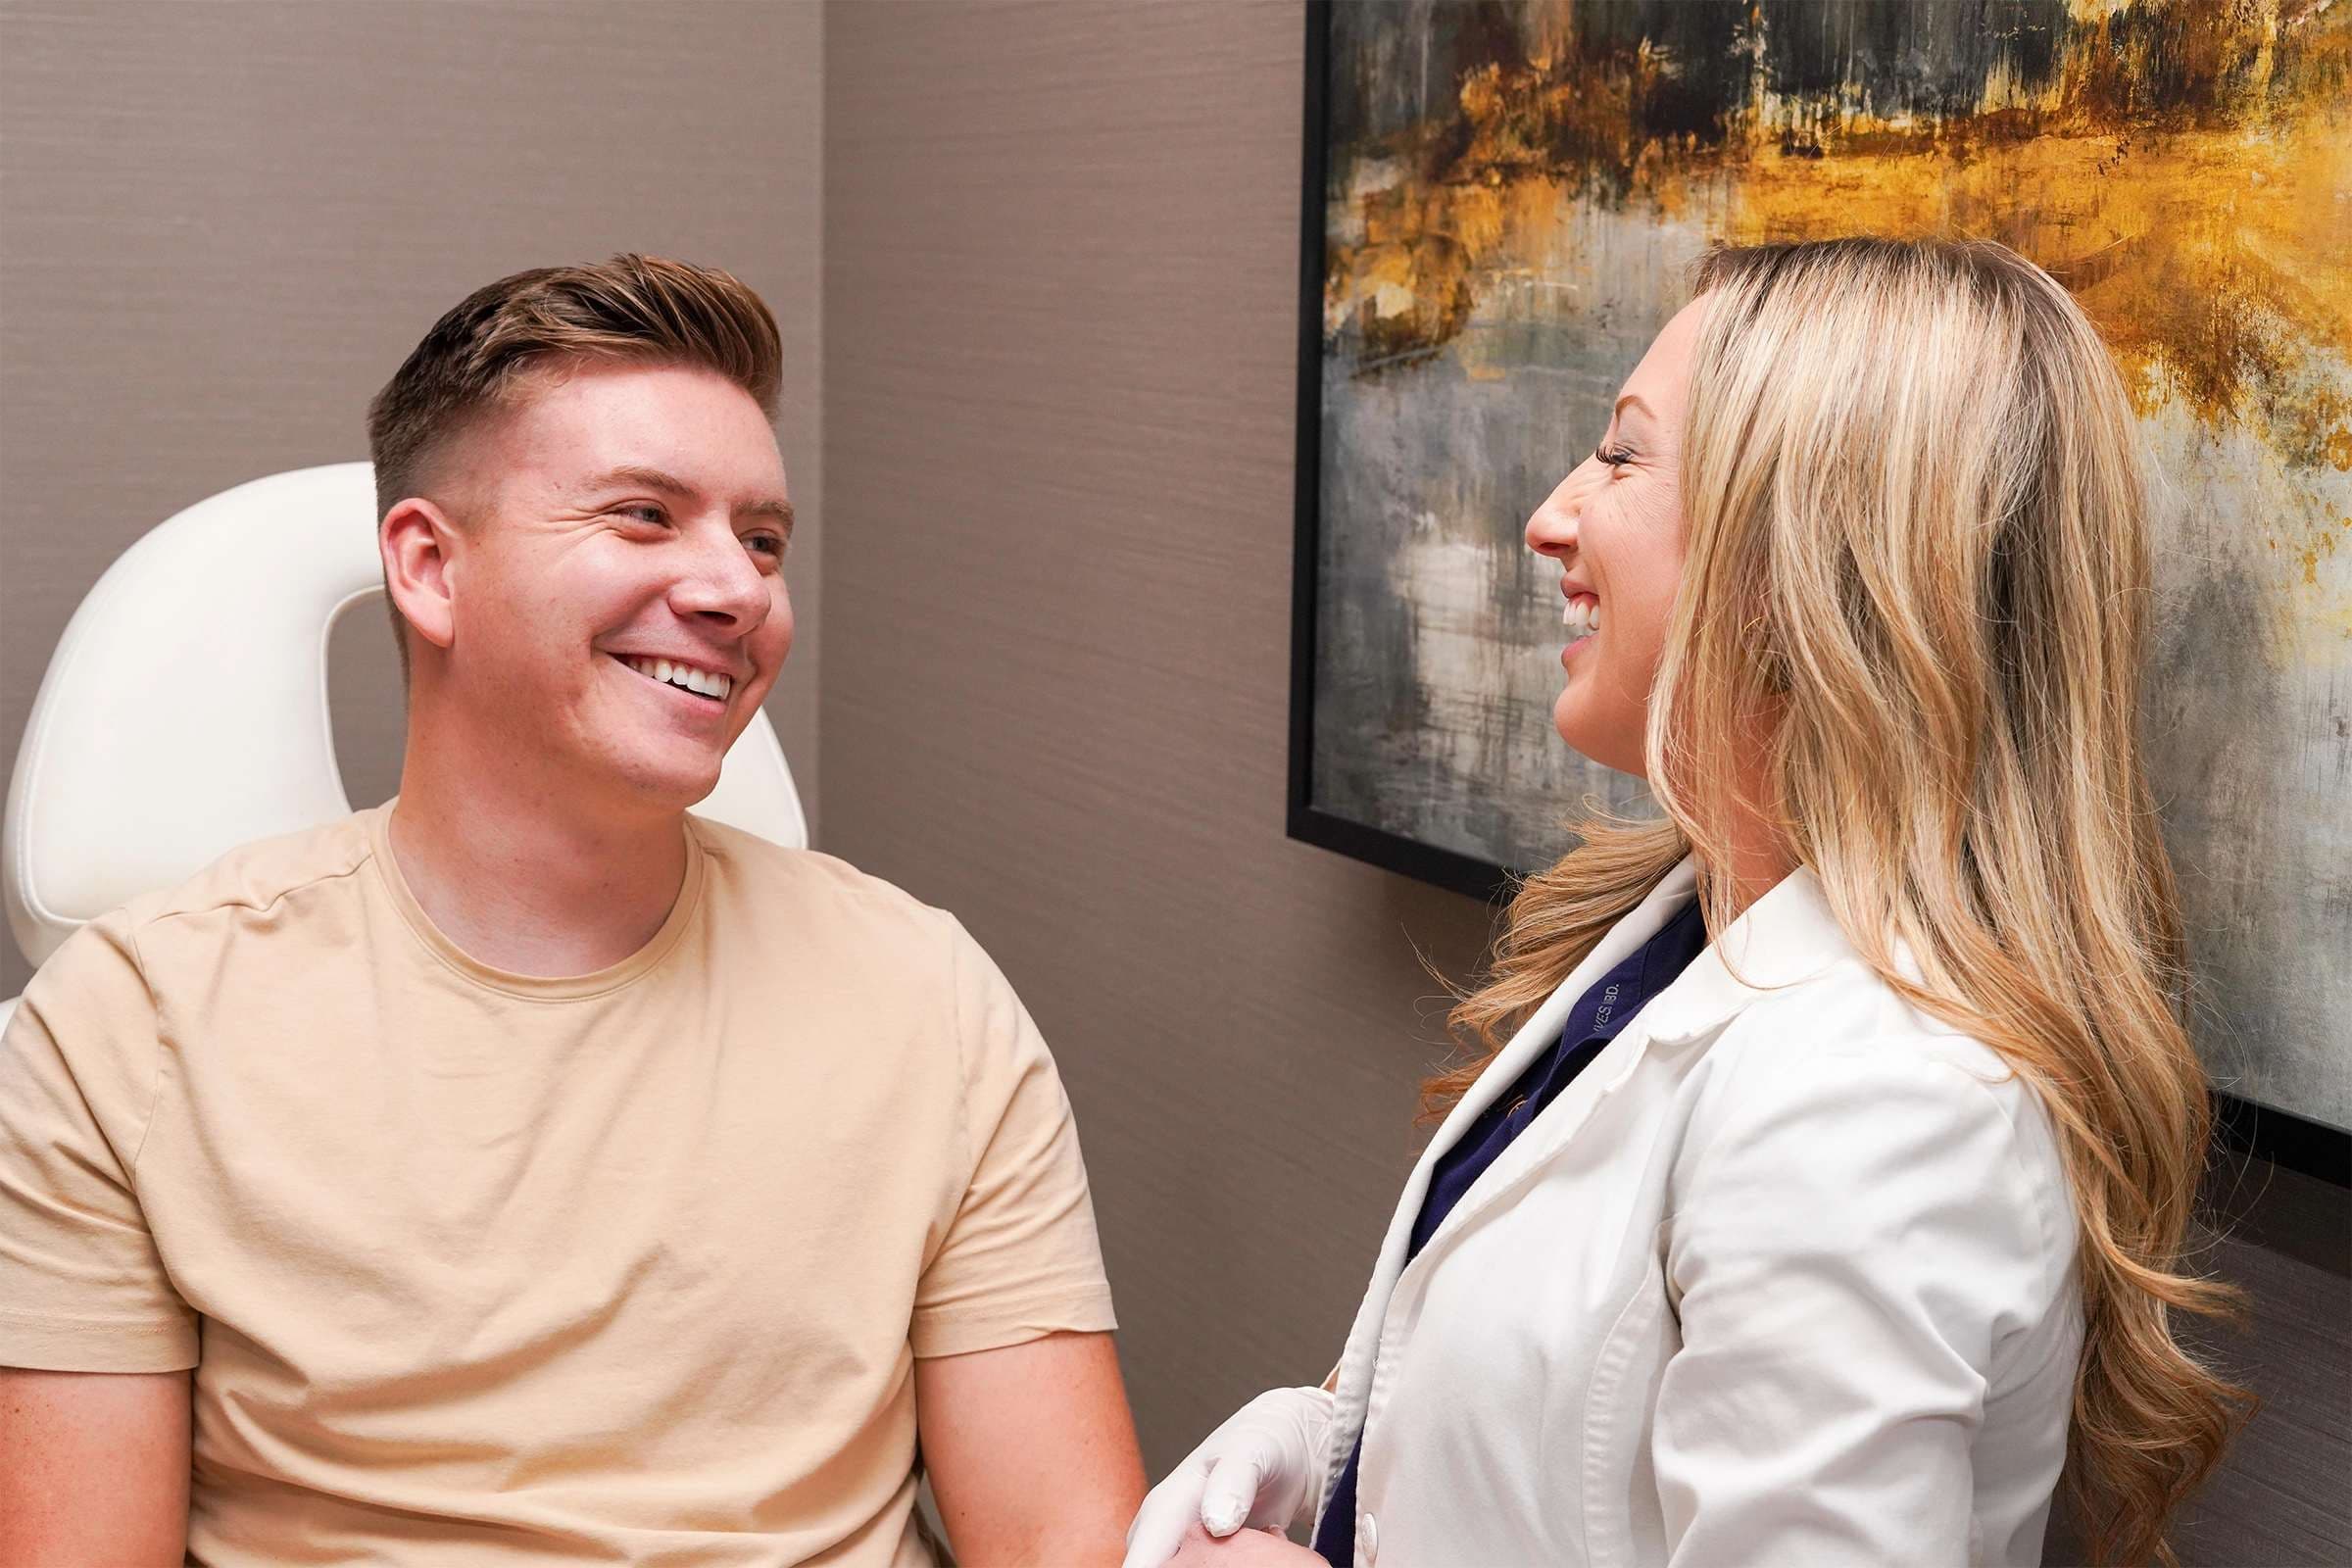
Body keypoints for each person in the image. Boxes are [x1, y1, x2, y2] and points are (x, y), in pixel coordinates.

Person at [0, 255, 1144, 1565]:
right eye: (645, 518)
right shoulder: (130, 1029)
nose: (737, 592)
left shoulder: (925, 998)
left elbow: (1065, 1540)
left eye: (761, 539)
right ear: (430, 570)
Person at [1125, 238, 2245, 1568]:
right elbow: (1573, 1448)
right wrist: (1326, 1451)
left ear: (1798, 559)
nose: (1549, 516)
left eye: (1620, 455)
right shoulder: (1675, 935)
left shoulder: (1883, 1110)